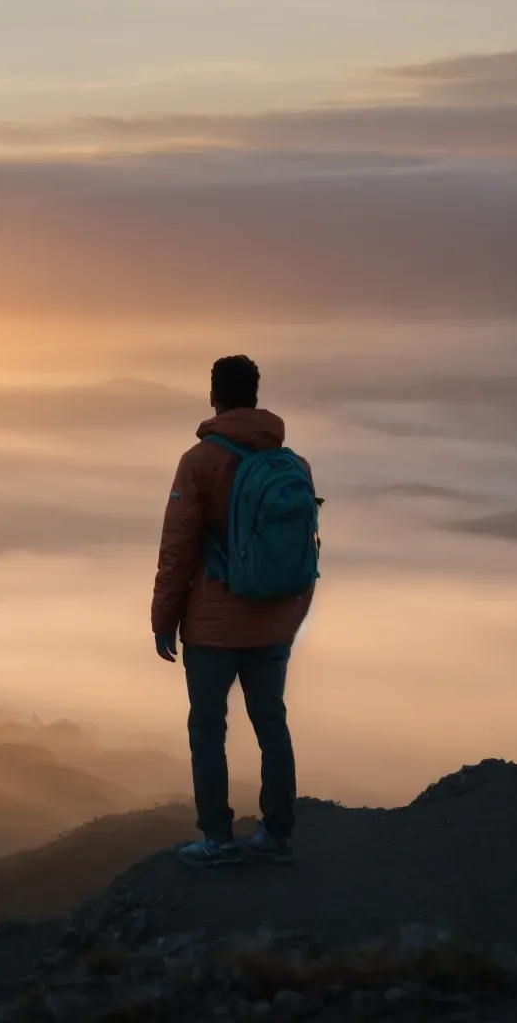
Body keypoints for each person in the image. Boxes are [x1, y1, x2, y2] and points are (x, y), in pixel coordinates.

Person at [152, 355, 315, 867]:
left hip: (213, 623)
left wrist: (163, 621)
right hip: (275, 618)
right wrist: (292, 614)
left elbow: (178, 550)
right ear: (256, 393)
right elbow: (304, 546)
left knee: (207, 729)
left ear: (214, 397)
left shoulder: (199, 462)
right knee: (272, 723)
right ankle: (278, 835)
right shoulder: (292, 463)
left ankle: (218, 840)